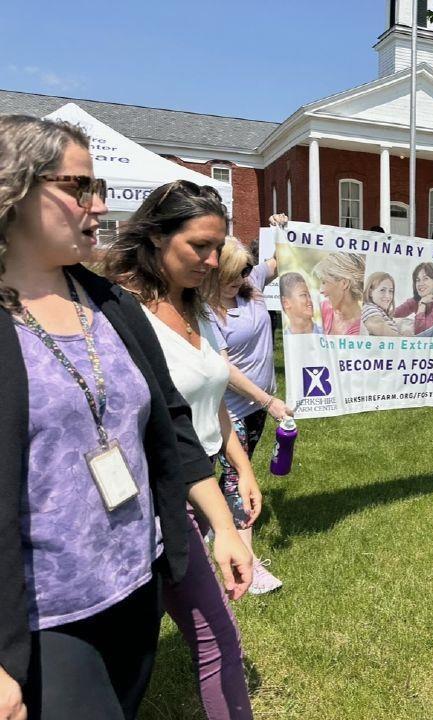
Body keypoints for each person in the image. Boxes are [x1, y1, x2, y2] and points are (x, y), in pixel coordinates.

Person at [0, 115, 252, 720]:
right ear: (13, 190)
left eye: (100, 188)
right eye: (80, 187)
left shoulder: (109, 304)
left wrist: (222, 526)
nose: (99, 205)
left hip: (135, 583)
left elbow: (169, 427)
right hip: (46, 612)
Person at [103, 179, 261, 719]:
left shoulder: (194, 308)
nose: (213, 260)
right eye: (199, 246)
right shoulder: (118, 313)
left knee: (211, 638)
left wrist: (241, 469)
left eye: (219, 248)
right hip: (154, 495)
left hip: (205, 479)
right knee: (142, 655)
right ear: (153, 237)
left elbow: (209, 396)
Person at [207, 236, 292, 595]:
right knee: (239, 479)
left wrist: (284, 230)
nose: (242, 278)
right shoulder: (205, 311)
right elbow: (224, 368)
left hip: (257, 407)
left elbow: (280, 260)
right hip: (230, 409)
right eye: (234, 273)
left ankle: (213, 523)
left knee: (229, 474)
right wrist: (267, 399)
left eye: (245, 270)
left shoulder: (251, 282)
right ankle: (248, 565)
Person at [313, 252, 364, 335]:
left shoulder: (362, 331)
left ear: (344, 284)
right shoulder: (325, 308)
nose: (321, 290)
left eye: (324, 282)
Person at [394, 261, 433, 335]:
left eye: (425, 278)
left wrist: (422, 304)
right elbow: (394, 313)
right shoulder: (417, 299)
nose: (420, 284)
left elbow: (421, 333)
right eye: (418, 280)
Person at [362, 271, 413, 336]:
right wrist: (401, 339)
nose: (388, 296)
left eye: (391, 291)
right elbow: (378, 325)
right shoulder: (369, 308)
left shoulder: (380, 311)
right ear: (370, 292)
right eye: (382, 290)